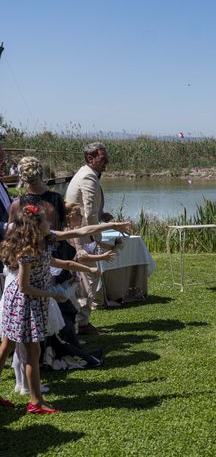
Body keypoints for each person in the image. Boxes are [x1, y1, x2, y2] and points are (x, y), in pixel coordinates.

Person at [0, 205, 99, 413]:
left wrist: (86, 267)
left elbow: (57, 261)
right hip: (24, 303)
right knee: (31, 350)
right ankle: (36, 402)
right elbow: (24, 286)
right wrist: (53, 294)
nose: (50, 223)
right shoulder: (28, 251)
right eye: (45, 220)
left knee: (9, 345)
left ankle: (36, 400)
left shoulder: (41, 245)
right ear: (36, 226)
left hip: (30, 301)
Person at [64, 142, 113, 335]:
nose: (106, 162)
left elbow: (91, 210)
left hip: (79, 232)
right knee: (87, 279)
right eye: (102, 159)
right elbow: (90, 212)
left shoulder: (87, 174)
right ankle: (82, 323)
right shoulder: (88, 177)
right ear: (90, 159)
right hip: (82, 235)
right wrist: (100, 238)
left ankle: (79, 320)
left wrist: (103, 215)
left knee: (83, 278)